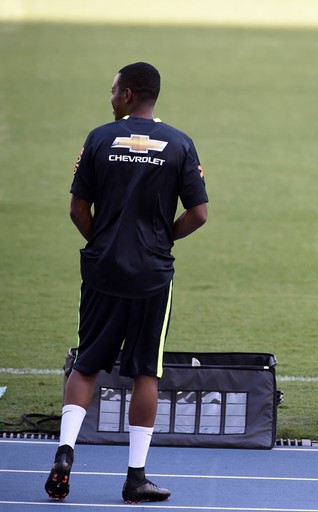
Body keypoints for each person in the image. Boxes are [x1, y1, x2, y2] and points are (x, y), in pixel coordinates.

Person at [45, 62, 208, 503]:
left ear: (131, 94)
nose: (110, 95)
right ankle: (136, 477)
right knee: (144, 371)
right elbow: (199, 213)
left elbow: (78, 209)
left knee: (86, 363)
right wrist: (160, 241)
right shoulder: (179, 143)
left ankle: (64, 453)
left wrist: (102, 241)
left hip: (102, 267)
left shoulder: (99, 138)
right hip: (152, 274)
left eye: (114, 89)